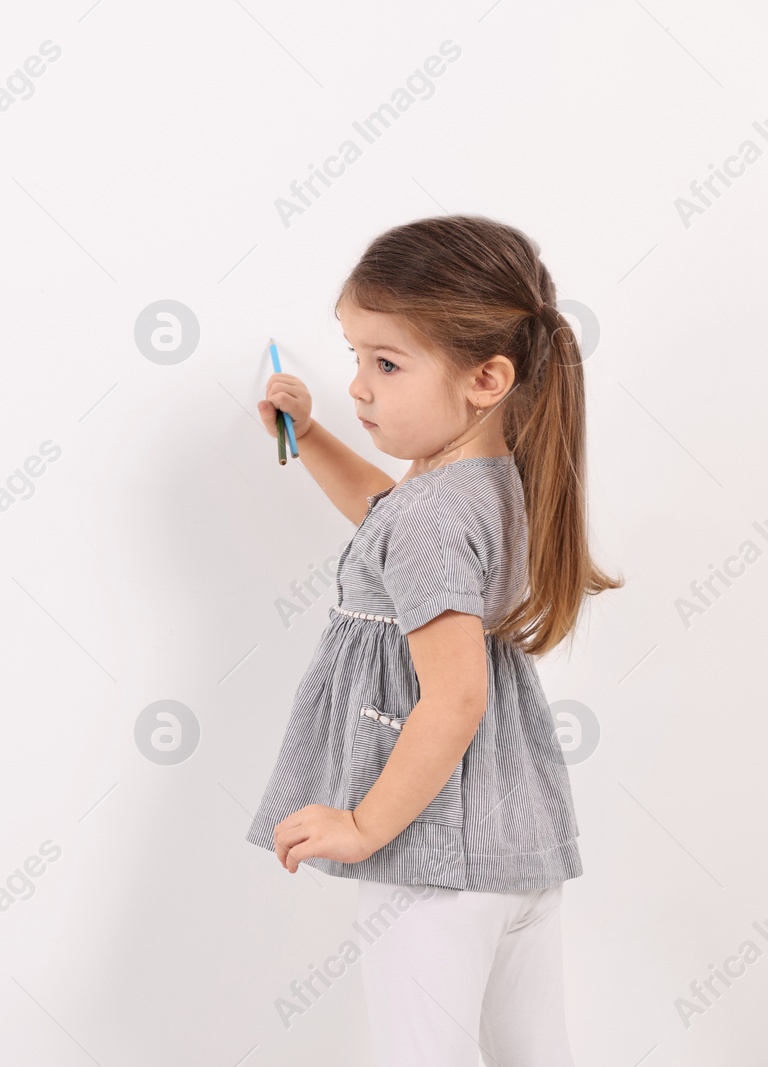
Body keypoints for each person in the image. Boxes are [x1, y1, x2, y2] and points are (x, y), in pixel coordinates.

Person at [243, 215, 623, 1065]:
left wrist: (364, 823)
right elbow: (386, 517)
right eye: (354, 357)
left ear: (487, 377)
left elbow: (453, 697)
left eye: (385, 362)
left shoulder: (430, 514)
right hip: (513, 839)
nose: (360, 387)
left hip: (432, 854)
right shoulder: (488, 482)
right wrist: (306, 435)